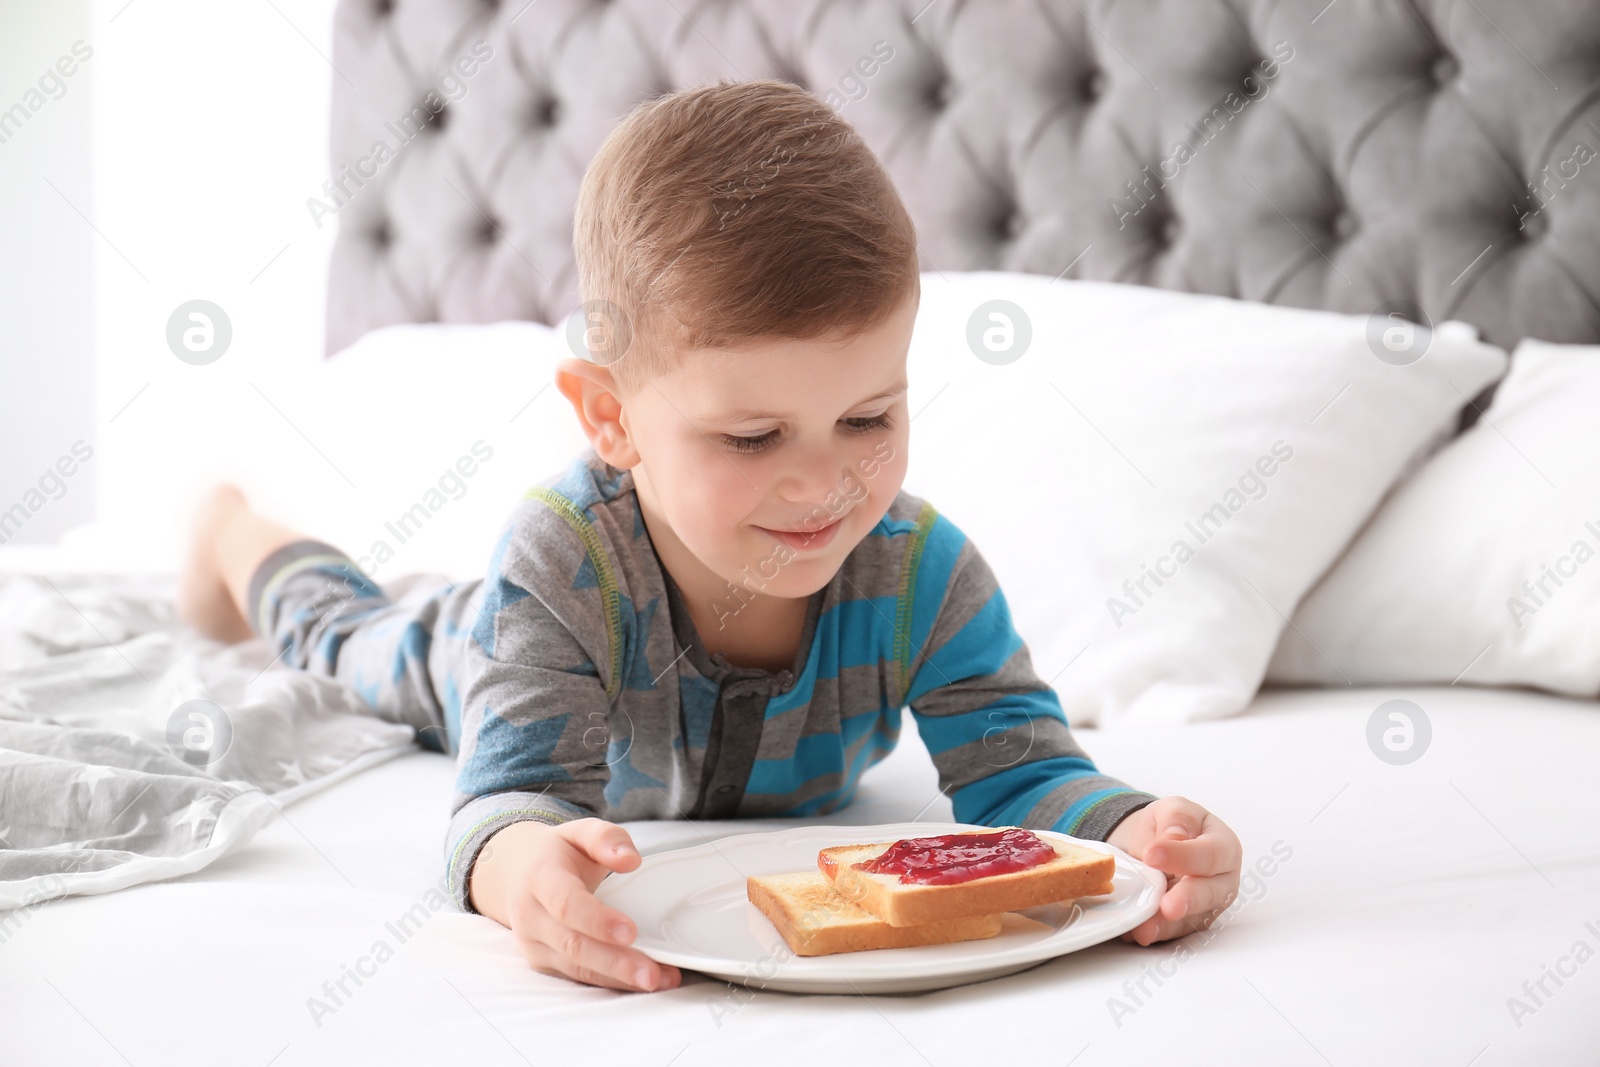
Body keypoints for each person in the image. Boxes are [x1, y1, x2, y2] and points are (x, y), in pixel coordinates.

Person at [177, 80, 1241, 994]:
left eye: (868, 417)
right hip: (493, 652)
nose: (827, 483)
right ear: (610, 419)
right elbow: (505, 803)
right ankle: (237, 534)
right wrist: (523, 872)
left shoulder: (922, 570)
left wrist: (1134, 828)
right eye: (750, 434)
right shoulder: (561, 561)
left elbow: (1020, 772)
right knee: (367, 640)